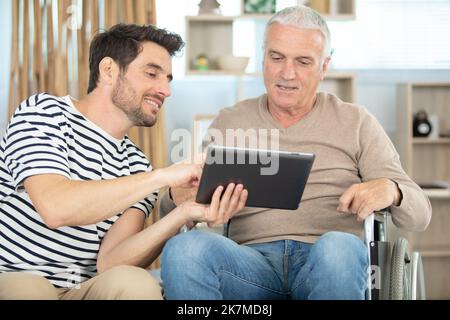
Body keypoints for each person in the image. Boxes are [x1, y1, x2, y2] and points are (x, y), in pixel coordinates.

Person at [159, 6, 432, 300]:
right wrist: (179, 198)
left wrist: (393, 190)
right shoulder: (230, 120)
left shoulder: (356, 122)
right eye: (276, 57)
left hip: (327, 262)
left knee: (339, 249)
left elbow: (420, 215)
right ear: (263, 57)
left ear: (324, 66)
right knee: (184, 250)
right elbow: (174, 211)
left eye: (303, 61)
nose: (286, 73)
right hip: (249, 266)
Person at [0, 23, 247, 300]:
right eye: (152, 74)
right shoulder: (44, 113)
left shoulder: (137, 165)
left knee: (136, 283)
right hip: (13, 277)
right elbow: (55, 207)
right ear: (109, 71)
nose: (165, 90)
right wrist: (161, 177)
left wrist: (184, 212)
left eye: (168, 79)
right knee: (32, 291)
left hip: (81, 289)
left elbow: (111, 262)